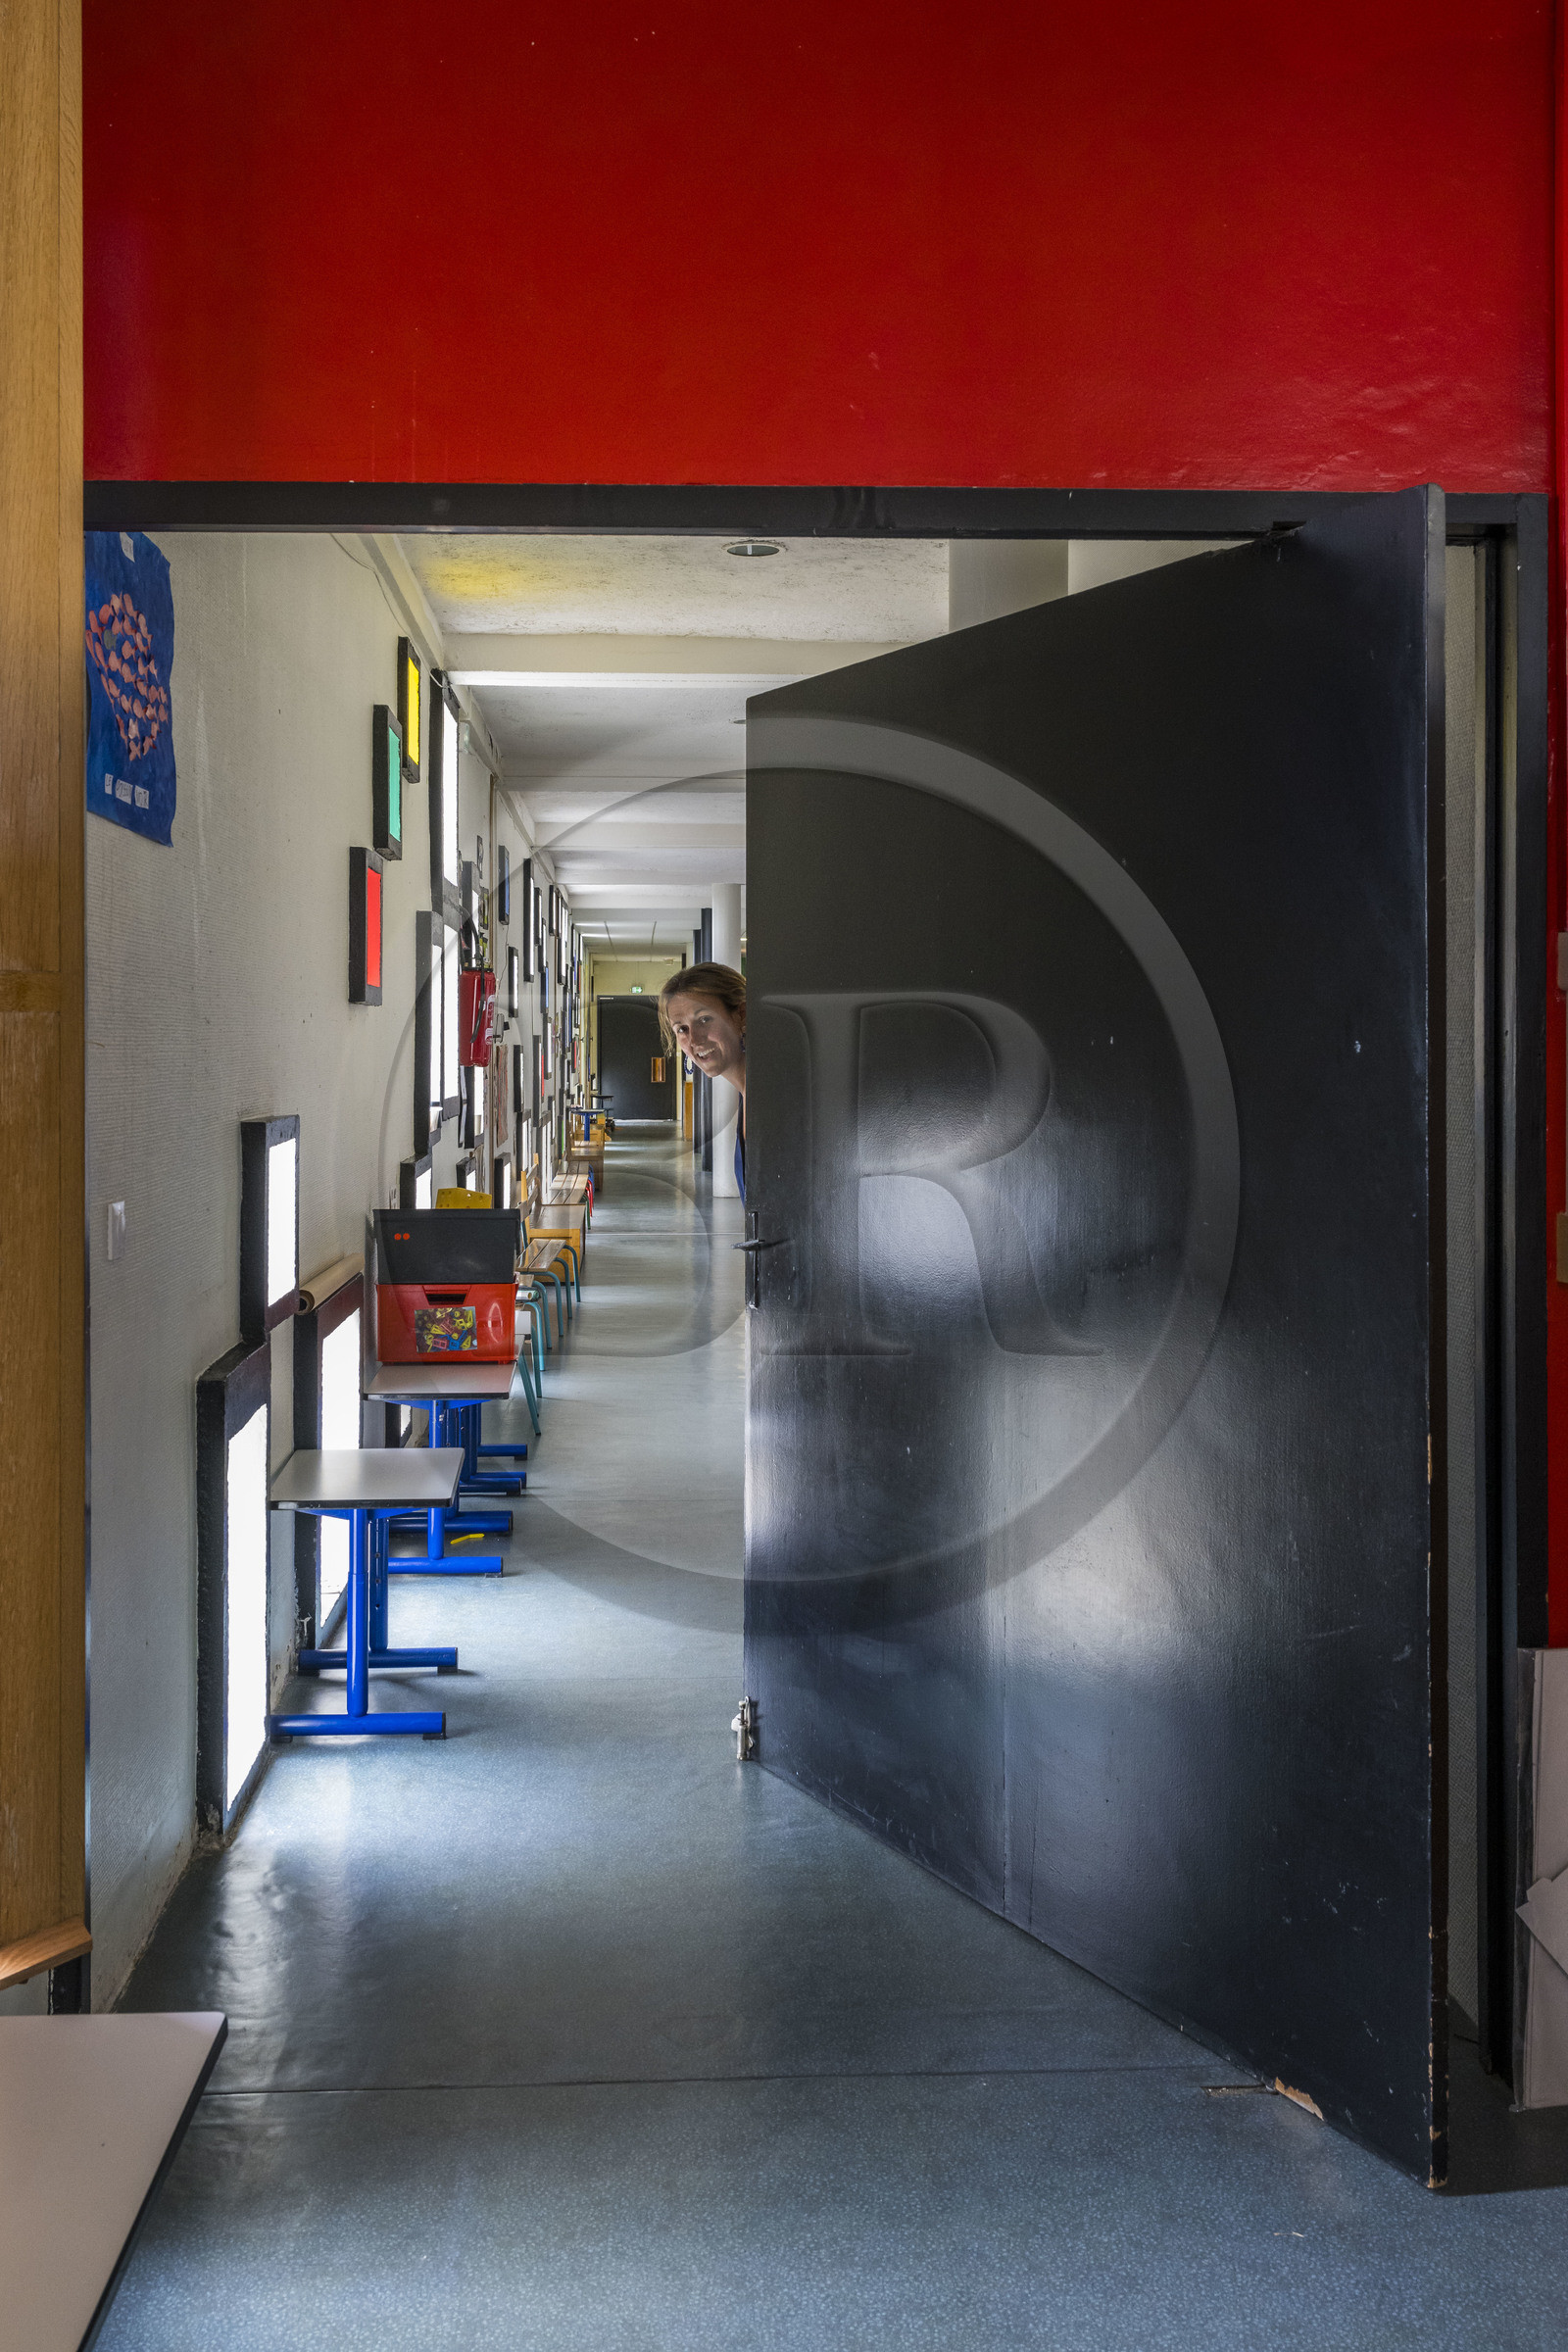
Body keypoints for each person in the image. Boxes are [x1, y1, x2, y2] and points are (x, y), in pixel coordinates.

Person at [659, 961, 746, 1199]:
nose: (694, 1039)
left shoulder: (774, 1095)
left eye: (705, 1019)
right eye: (681, 1029)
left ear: (741, 1014)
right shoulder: (748, 1094)